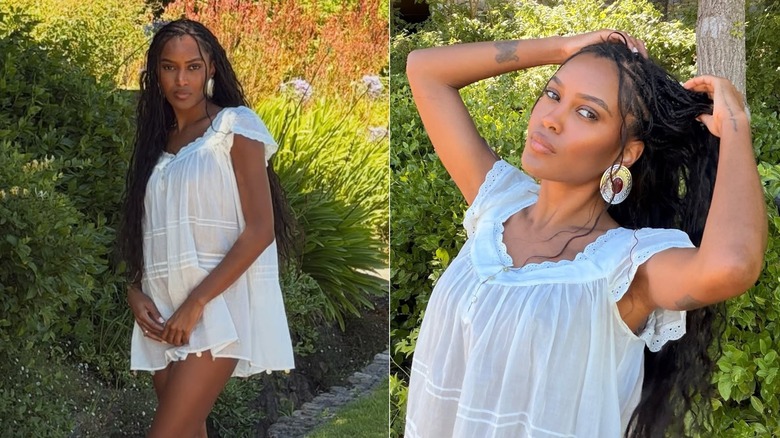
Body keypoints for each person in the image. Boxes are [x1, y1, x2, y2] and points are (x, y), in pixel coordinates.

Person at [404, 30, 767, 438]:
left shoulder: (622, 267)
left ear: (626, 153)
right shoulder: (496, 205)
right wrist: (563, 48)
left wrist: (735, 128)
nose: (550, 119)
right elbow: (424, 70)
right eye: (553, 95)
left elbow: (732, 265)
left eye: (588, 113)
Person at [117, 19, 296, 437]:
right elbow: (153, 231)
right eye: (169, 67)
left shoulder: (235, 127)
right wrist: (134, 289)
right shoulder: (155, 144)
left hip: (216, 309)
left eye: (193, 67)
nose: (182, 80)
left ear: (211, 68)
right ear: (155, 72)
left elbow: (260, 230)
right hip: (161, 313)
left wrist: (195, 304)